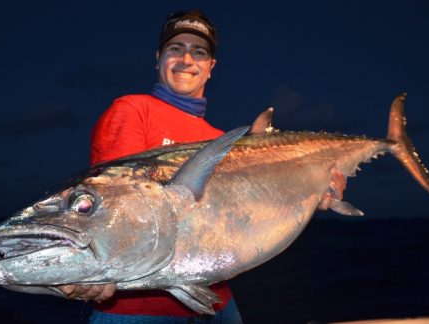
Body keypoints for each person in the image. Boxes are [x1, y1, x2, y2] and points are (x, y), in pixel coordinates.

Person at [58, 9, 346, 323]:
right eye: (175, 49)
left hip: (217, 305)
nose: (186, 59)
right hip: (140, 312)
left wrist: (311, 190)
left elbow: (245, 215)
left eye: (199, 52)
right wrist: (92, 268)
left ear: (211, 67)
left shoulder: (221, 141)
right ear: (158, 58)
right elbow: (115, 204)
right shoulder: (133, 110)